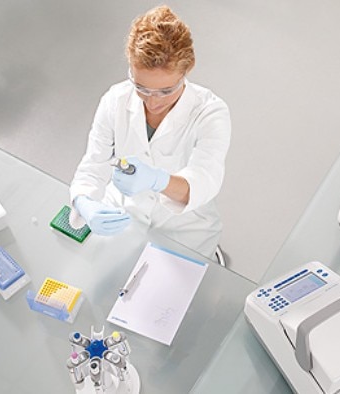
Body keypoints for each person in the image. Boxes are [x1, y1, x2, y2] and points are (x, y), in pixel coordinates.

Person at [69, 5, 231, 257]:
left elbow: (206, 180)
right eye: (141, 87)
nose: (153, 102)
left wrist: (159, 180)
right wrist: (85, 202)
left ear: (187, 70)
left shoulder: (210, 112)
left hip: (185, 233)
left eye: (166, 91)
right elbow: (93, 165)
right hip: (124, 220)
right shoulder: (115, 100)